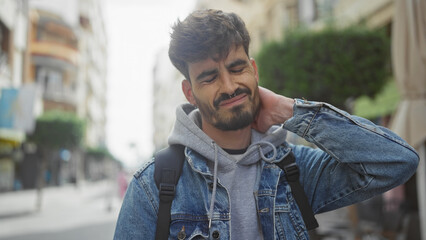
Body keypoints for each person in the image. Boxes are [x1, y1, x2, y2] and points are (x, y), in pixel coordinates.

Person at [114, 9, 419, 240]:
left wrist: (290, 110)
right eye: (209, 77)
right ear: (189, 92)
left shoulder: (293, 168)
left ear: (254, 70)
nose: (230, 85)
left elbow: (397, 162)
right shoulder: (152, 186)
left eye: (237, 68)